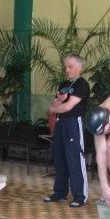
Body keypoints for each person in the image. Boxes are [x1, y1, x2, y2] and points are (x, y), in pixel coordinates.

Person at [44, 54, 90, 208]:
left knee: (75, 158)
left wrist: (61, 104)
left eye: (70, 67)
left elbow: (68, 107)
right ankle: (60, 192)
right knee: (60, 158)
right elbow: (52, 107)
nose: (67, 70)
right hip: (60, 123)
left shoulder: (82, 84)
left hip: (73, 122)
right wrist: (60, 102)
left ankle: (80, 196)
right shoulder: (63, 84)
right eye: (66, 67)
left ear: (79, 67)